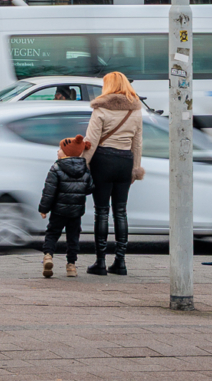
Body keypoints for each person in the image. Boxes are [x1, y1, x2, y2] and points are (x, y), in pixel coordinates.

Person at [82, 71, 145, 276]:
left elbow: (90, 143)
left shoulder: (100, 109)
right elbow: (137, 143)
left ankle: (100, 262)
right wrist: (135, 169)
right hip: (125, 162)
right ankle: (121, 261)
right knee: (121, 211)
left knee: (101, 211)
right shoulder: (135, 111)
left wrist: (82, 165)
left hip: (103, 161)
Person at [38, 135, 91, 279]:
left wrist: (43, 209)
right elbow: (90, 188)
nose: (57, 151)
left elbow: (49, 191)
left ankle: (48, 256)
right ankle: (71, 266)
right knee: (73, 237)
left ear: (66, 152)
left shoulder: (56, 168)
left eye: (60, 149)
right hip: (76, 212)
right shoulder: (85, 169)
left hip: (58, 211)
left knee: (53, 233)